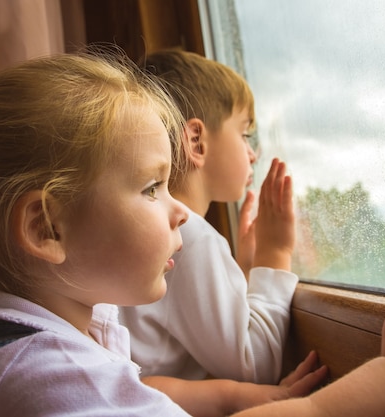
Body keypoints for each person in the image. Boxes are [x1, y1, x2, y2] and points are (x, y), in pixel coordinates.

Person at [0, 50, 385, 417]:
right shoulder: (45, 377)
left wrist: (227, 399)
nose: (178, 215)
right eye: (149, 188)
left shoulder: (12, 339)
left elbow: (133, 385)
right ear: (46, 226)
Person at [120, 48, 297, 384]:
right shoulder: (190, 236)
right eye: (244, 134)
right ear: (197, 142)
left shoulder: (162, 228)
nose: (252, 154)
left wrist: (244, 269)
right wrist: (275, 255)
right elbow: (253, 367)